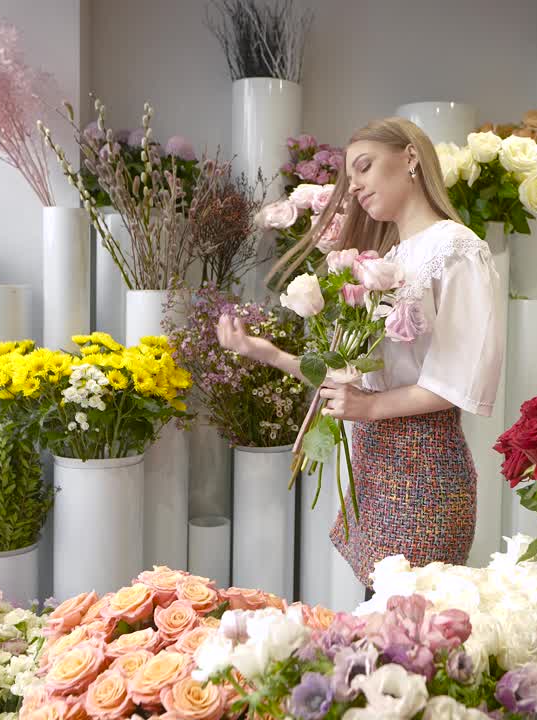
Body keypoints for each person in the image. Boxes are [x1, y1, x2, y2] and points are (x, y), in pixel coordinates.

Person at [216, 117, 504, 590]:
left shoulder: (456, 248)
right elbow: (351, 379)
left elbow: (458, 381)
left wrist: (369, 407)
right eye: (350, 178)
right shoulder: (389, 258)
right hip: (377, 471)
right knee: (377, 630)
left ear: (410, 157)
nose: (357, 188)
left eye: (365, 168)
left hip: (424, 473)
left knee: (410, 636)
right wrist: (261, 351)